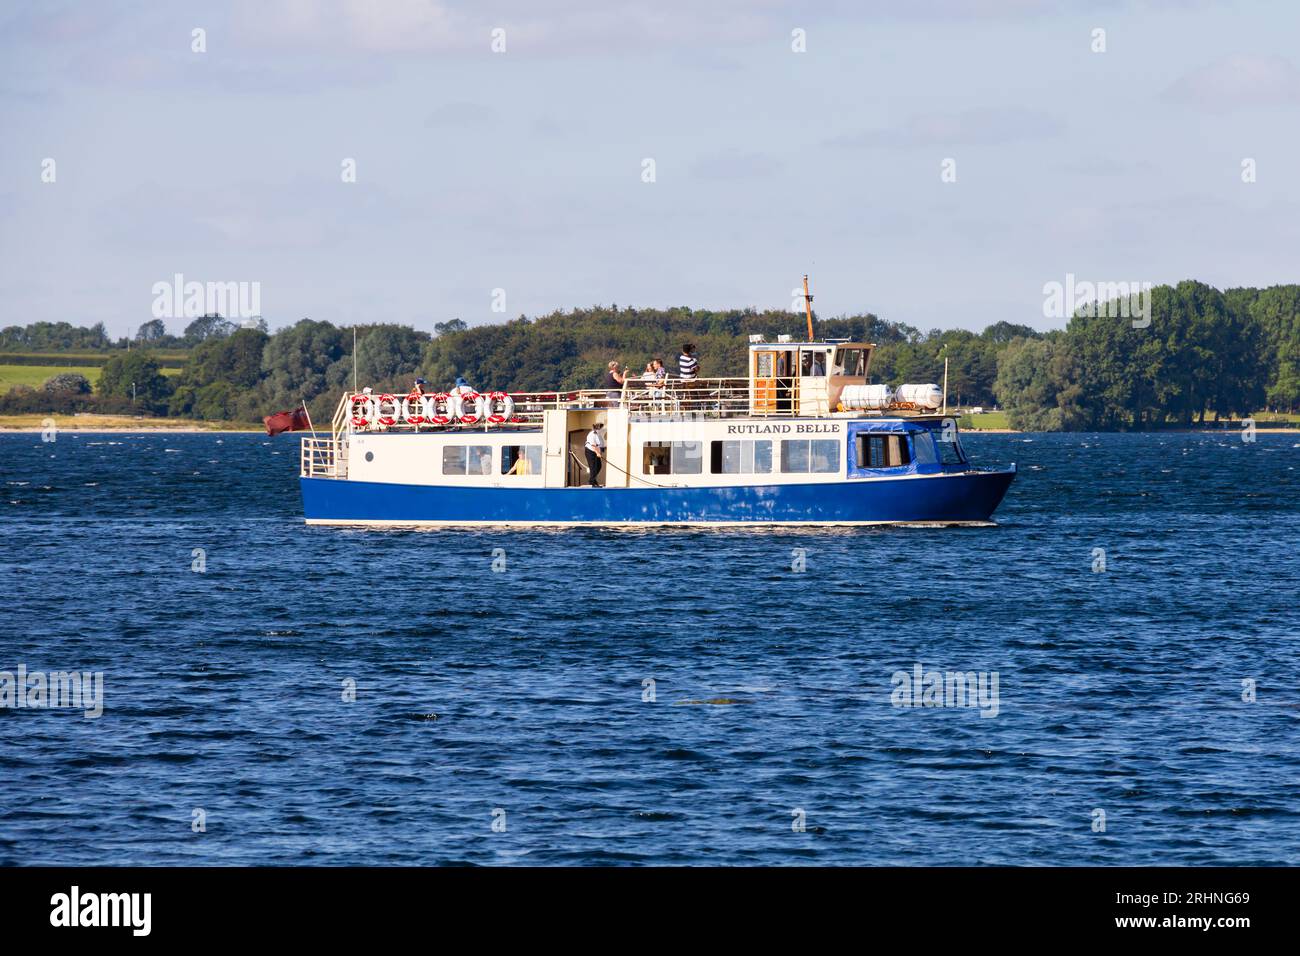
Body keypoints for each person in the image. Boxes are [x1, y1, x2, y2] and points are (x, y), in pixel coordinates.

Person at [584, 422, 605, 487]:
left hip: (595, 451)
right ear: (597, 428)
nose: (601, 429)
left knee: (599, 466)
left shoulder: (598, 434)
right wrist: (598, 453)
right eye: (601, 427)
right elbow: (593, 445)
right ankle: (592, 483)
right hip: (590, 451)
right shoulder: (592, 434)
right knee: (593, 467)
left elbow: (599, 445)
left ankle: (593, 480)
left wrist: (600, 452)